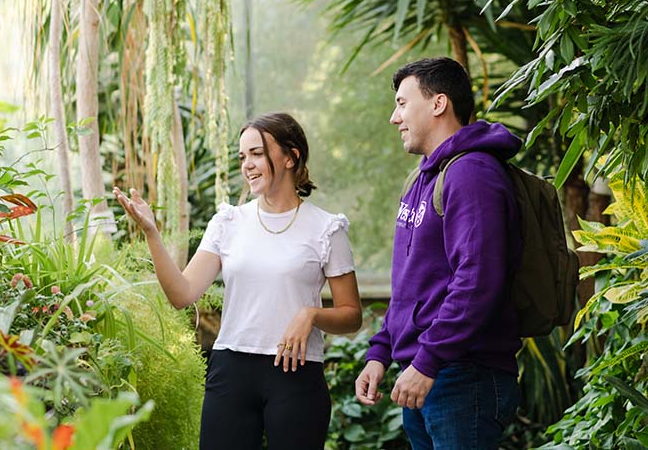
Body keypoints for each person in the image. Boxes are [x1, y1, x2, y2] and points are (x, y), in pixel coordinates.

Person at [114, 112, 362, 450]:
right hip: (231, 371)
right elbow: (182, 294)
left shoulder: (326, 228)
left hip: (297, 374)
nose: (247, 165)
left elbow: (352, 314)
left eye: (257, 154)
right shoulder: (228, 222)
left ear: (291, 157)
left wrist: (311, 314)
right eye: (242, 156)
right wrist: (152, 233)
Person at [354, 57, 522, 449]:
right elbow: (413, 284)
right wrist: (381, 351)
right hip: (429, 373)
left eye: (401, 103)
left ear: (438, 103)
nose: (395, 118)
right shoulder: (423, 178)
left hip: (464, 376)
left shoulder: (473, 173)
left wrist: (428, 361)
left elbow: (478, 282)